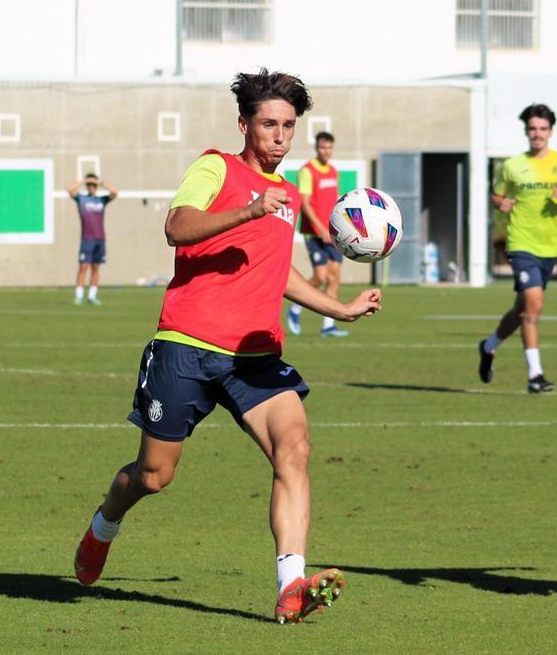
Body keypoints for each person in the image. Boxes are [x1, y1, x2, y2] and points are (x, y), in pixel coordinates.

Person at [71, 69, 382, 624]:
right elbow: (177, 226)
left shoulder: (287, 195)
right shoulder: (216, 166)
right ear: (245, 124)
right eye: (269, 124)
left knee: (295, 448)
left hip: (254, 357)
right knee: (154, 476)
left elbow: (278, 271)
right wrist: (247, 209)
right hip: (185, 346)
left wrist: (341, 307)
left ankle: (291, 585)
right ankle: (104, 526)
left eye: (289, 126)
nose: (280, 136)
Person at [477, 103, 557, 393]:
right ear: (526, 131)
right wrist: (499, 202)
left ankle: (489, 346)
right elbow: (497, 195)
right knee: (534, 306)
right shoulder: (513, 165)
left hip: (549, 247)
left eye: (542, 129)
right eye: (532, 129)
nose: (537, 134)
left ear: (550, 131)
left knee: (523, 308)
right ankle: (535, 375)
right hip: (521, 243)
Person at [285, 131, 347, 337]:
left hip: (332, 234)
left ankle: (328, 325)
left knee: (334, 277)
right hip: (314, 233)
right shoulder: (307, 171)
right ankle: (295, 307)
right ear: (317, 147)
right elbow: (304, 203)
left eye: (329, 147)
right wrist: (320, 229)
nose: (325, 151)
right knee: (320, 276)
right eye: (322, 147)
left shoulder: (333, 171)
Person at [67, 173, 119, 305]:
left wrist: (100, 182)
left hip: (100, 239)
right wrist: (84, 180)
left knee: (96, 268)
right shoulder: (82, 199)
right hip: (87, 239)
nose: (92, 187)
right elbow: (70, 189)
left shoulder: (101, 200)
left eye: (93, 185)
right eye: (89, 185)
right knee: (83, 267)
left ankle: (92, 296)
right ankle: (79, 296)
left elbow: (115, 192)